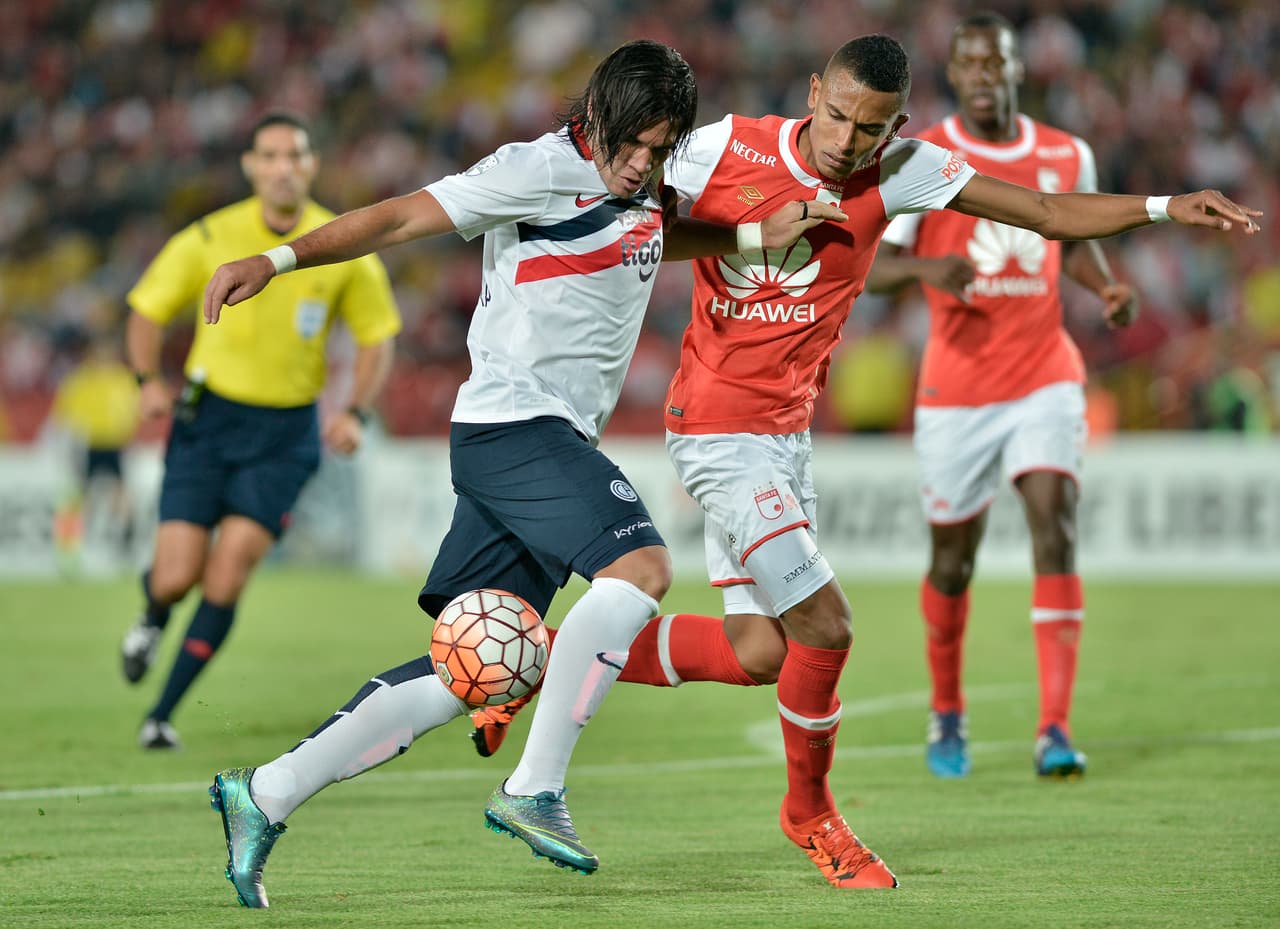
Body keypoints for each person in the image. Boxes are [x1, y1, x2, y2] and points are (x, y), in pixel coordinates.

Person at [471, 30, 1262, 885]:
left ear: (899, 125)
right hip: (716, 429)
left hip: (785, 436)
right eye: (838, 116)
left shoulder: (902, 170)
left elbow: (1044, 213)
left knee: (760, 651)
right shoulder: (719, 146)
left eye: (869, 128)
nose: (847, 142)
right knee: (827, 624)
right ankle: (809, 814)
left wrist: (1162, 207)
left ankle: (537, 659)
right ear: (814, 92)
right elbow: (626, 202)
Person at [199, 40, 841, 908]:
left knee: (475, 669)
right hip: (514, 424)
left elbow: (652, 226)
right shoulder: (535, 169)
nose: (642, 165)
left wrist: (751, 233)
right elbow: (396, 219)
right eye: (631, 146)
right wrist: (274, 263)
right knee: (642, 568)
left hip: (536, 434)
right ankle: (535, 789)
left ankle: (263, 792)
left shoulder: (638, 181)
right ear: (595, 117)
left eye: (660, 149)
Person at [860, 12, 1143, 780]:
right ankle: (946, 710)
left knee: (1056, 521)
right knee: (953, 563)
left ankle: (1055, 727)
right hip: (957, 390)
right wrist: (925, 273)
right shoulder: (923, 159)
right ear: (954, 74)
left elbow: (1071, 240)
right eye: (970, 65)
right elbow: (870, 266)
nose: (985, 75)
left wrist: (1106, 285)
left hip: (1045, 374)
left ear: (1018, 66)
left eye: (997, 62)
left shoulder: (1065, 152)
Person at [119, 111, 402, 750]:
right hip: (208, 422)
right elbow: (146, 309)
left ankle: (160, 714)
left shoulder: (338, 245)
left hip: (284, 435)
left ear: (311, 165)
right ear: (250, 165)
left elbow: (377, 336)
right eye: (269, 156)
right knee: (175, 575)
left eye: (294, 155)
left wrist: (354, 408)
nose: (282, 167)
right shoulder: (210, 235)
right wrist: (146, 381)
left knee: (229, 572)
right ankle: (152, 615)